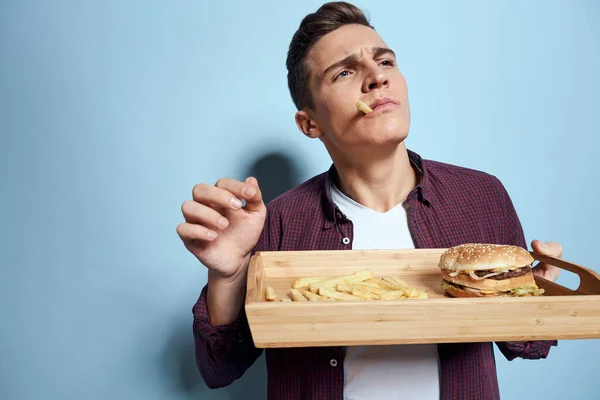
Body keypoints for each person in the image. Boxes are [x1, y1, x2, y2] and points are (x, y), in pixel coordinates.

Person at [176, 2, 563, 399]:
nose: (377, 77)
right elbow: (219, 368)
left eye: (386, 62)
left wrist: (537, 296)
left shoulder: (481, 197)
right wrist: (226, 277)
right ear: (310, 123)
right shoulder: (278, 222)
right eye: (345, 72)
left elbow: (527, 345)